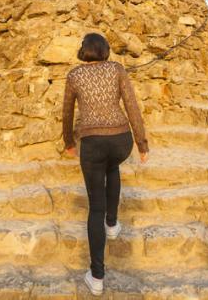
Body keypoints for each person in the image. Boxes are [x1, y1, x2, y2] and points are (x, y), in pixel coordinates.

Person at [62, 33, 149, 296]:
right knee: (113, 167)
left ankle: (97, 277)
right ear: (105, 51)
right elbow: (132, 106)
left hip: (92, 144)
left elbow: (67, 112)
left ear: (83, 51)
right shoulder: (117, 69)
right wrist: (141, 143)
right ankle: (112, 225)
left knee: (94, 207)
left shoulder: (74, 75)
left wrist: (68, 142)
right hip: (121, 141)